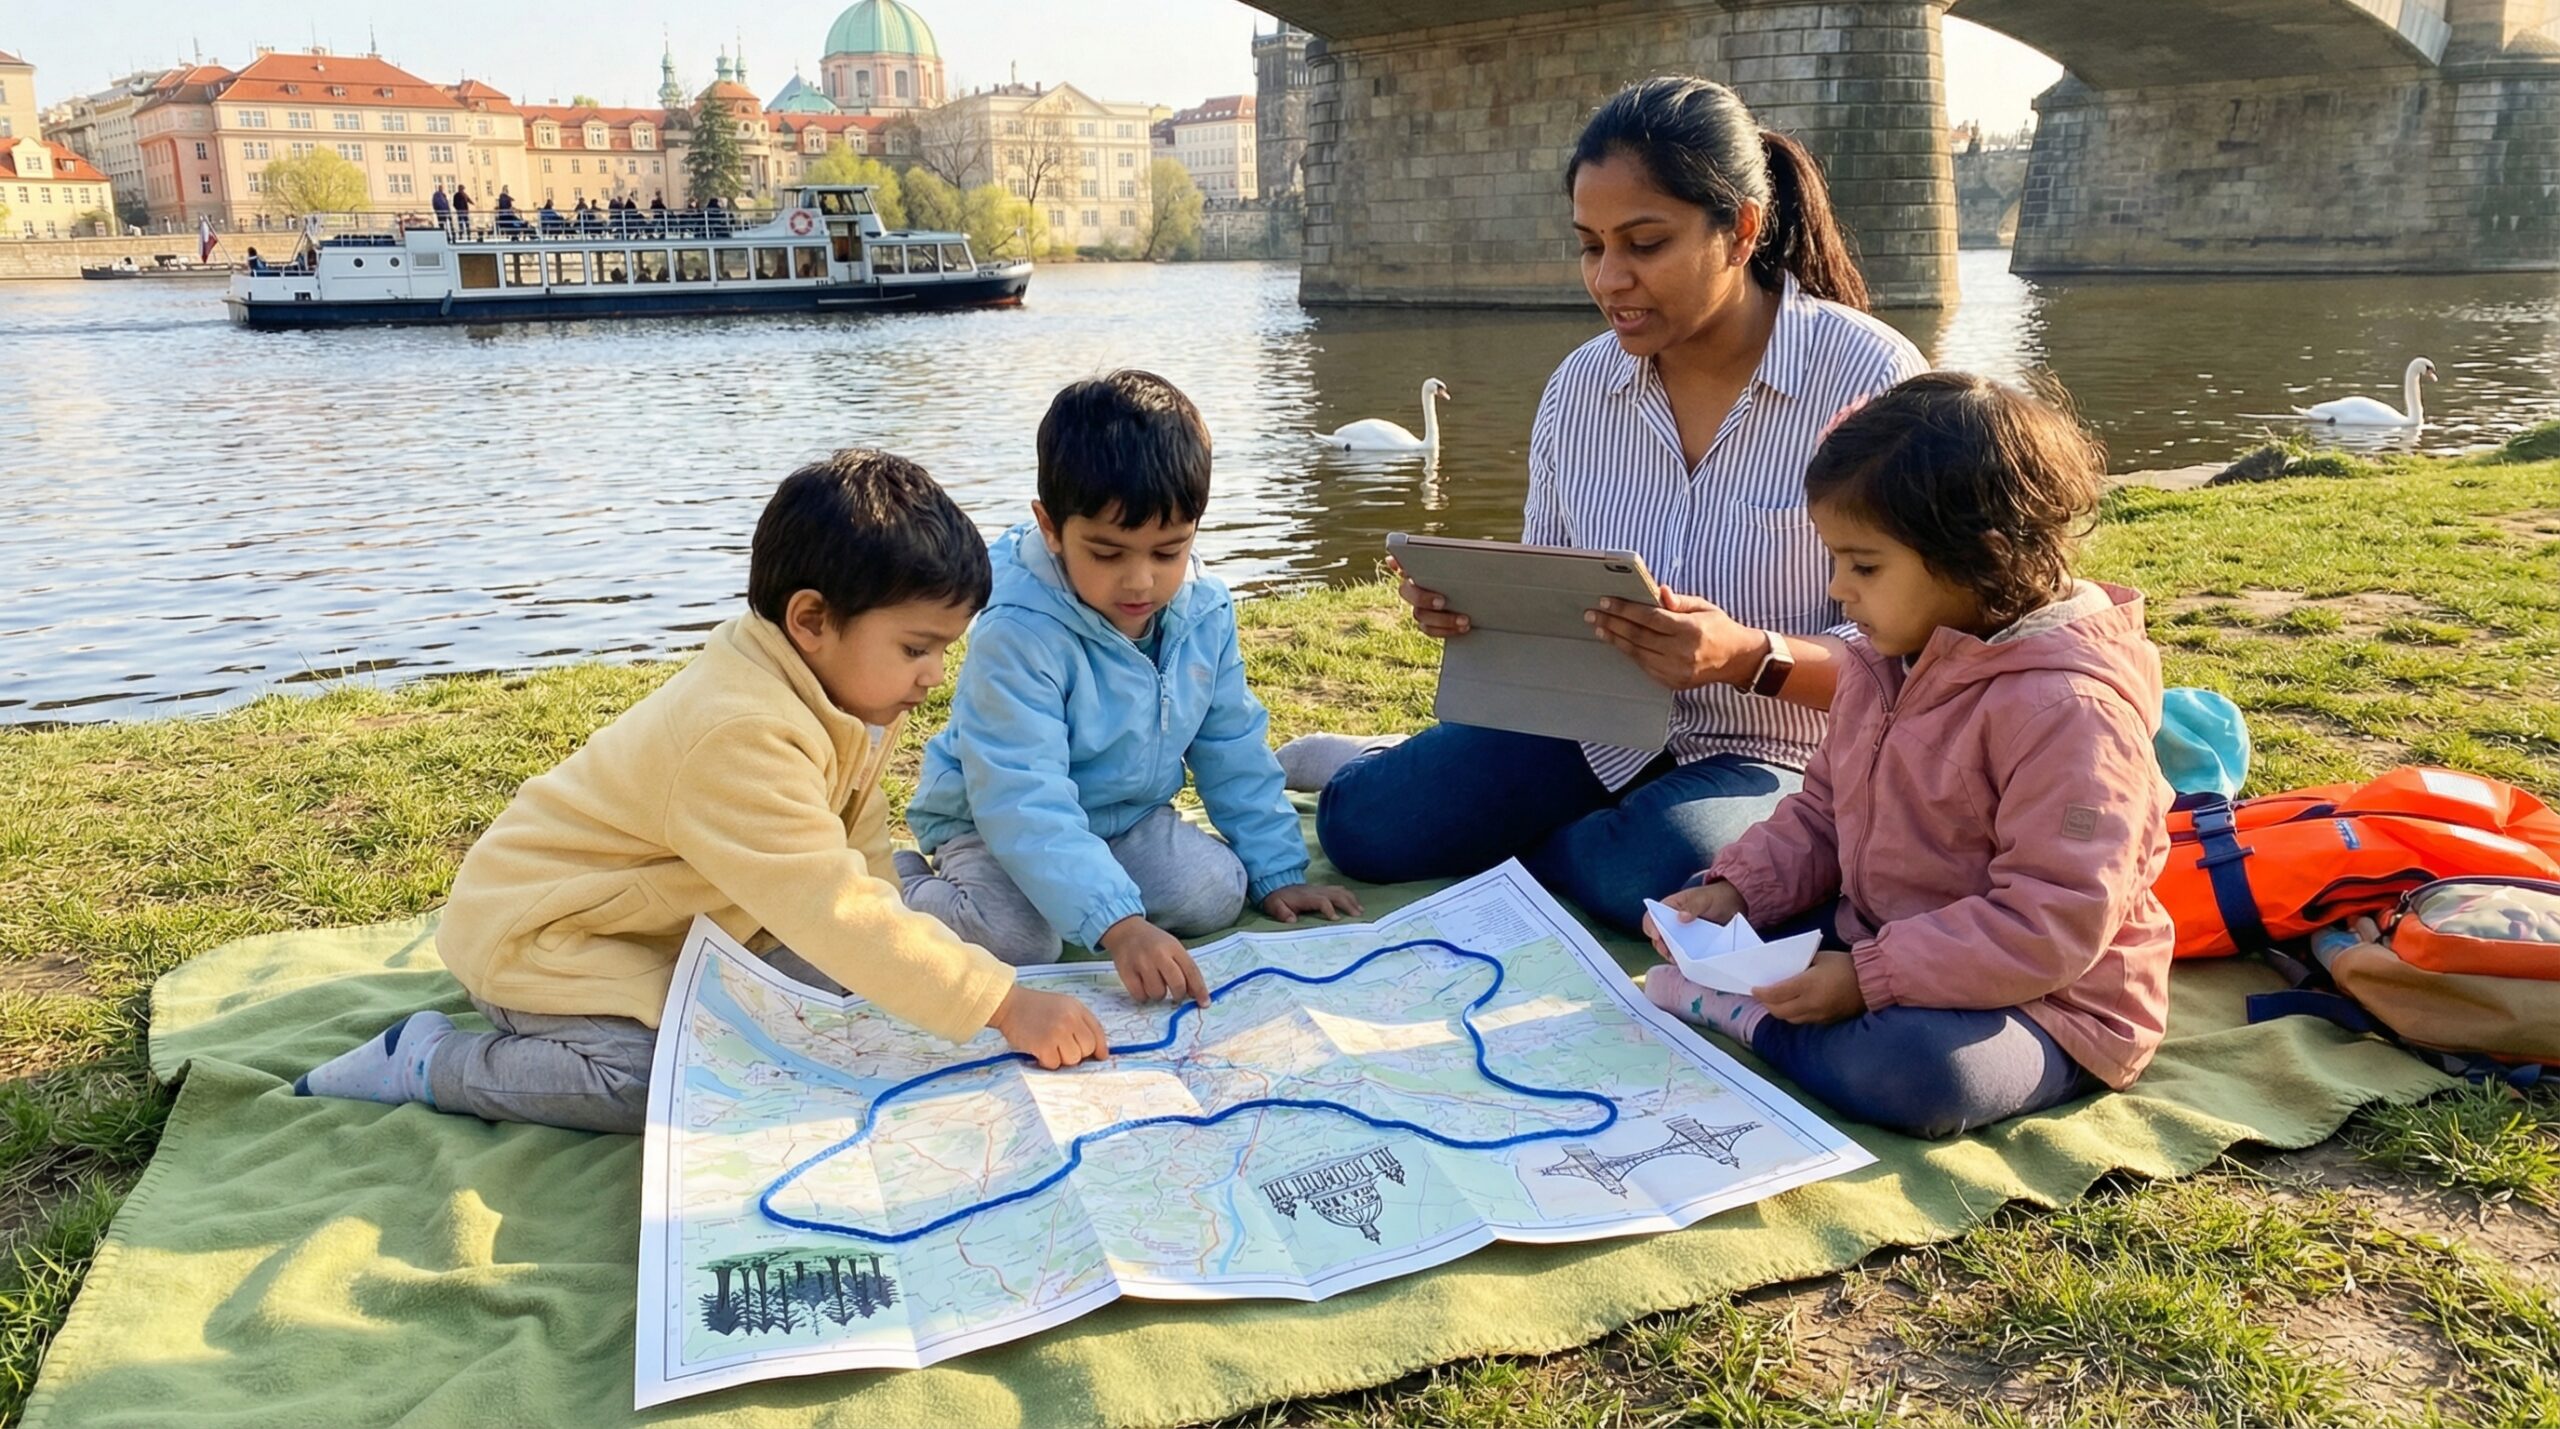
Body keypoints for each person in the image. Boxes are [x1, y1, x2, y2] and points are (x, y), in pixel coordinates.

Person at [292, 451, 1113, 1133]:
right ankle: (435, 1059)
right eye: (916, 648)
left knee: (842, 987)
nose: (933, 677)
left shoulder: (847, 686)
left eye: (941, 649)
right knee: (667, 1079)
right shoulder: (740, 730)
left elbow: (858, 856)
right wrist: (1001, 1002)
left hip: (682, 923)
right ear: (812, 619)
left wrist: (899, 972)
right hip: (544, 937)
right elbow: (832, 905)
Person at [1293, 76, 1928, 936]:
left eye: (1644, 243)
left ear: (1741, 229)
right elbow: (1554, 584)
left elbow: (1925, 654)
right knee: (1359, 828)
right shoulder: (1579, 388)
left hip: (1779, 751)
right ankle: (1481, 806)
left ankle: (1555, 841)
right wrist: (1483, 614)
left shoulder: (1874, 383)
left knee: (1641, 869)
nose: (1609, 278)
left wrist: (1748, 656)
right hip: (1592, 730)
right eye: (1590, 246)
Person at [1641, 373, 2174, 1139]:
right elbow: (1824, 811)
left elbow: (2050, 921)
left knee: (1922, 1074)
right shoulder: (1881, 658)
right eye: (1836, 560)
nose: (1838, 590)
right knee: (1714, 904)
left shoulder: (2071, 713)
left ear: (1978, 555)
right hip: (1892, 940)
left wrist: (1867, 978)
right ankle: (1779, 1000)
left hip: (2051, 1003)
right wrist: (1738, 890)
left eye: (1864, 566)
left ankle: (1755, 1022)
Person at [900, 371, 1364, 997]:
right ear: (1051, 528)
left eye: (1168, 552)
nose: (1141, 582)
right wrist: (1119, 925)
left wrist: (1277, 871)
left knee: (1217, 892)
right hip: (990, 824)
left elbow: (1231, 746)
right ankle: (897, 880)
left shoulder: (1205, 611)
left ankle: (1092, 889)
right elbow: (1021, 797)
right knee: (1018, 940)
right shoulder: (1017, 632)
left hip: (1123, 819)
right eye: (1109, 554)